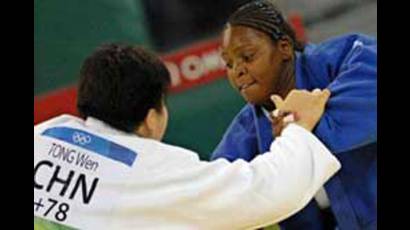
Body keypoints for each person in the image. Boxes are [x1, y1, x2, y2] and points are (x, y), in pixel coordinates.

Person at [34, 43, 339, 229]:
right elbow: (266, 191)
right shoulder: (149, 173)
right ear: (152, 118)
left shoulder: (43, 136)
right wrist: (296, 126)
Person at [212, 0, 377, 229]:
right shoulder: (247, 129)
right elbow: (217, 195)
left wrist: (297, 130)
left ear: (284, 48)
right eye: (228, 64)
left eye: (248, 56)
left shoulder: (345, 57)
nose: (237, 71)